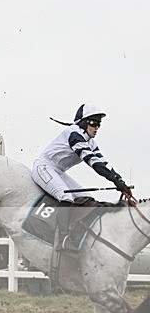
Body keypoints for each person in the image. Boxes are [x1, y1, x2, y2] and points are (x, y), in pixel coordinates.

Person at [32, 104, 131, 249]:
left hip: (58, 171)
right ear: (84, 122)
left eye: (99, 124)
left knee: (88, 198)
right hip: (44, 167)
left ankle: (76, 233)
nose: (96, 127)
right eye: (93, 123)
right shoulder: (74, 134)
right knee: (65, 197)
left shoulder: (91, 142)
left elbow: (103, 162)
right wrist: (115, 181)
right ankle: (62, 240)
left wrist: (120, 181)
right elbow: (93, 163)